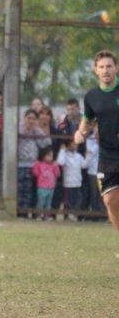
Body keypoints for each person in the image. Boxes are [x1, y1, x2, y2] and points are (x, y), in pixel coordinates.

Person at [74, 50, 119, 230]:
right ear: (96, 70)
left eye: (109, 66)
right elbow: (87, 120)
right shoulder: (91, 96)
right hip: (107, 154)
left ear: (117, 68)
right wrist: (81, 132)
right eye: (101, 67)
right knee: (109, 200)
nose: (105, 70)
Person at [18, 109, 51, 216]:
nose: (31, 121)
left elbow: (46, 143)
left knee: (29, 190)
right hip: (18, 164)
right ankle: (18, 211)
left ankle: (26, 212)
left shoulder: (36, 130)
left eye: (33, 119)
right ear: (24, 118)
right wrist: (24, 131)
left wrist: (36, 130)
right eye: (29, 118)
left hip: (32, 165)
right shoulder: (18, 128)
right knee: (19, 189)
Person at [56, 138, 89, 222]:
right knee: (68, 201)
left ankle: (74, 214)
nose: (75, 146)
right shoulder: (65, 155)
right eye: (73, 144)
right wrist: (62, 151)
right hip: (68, 183)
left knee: (77, 200)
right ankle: (67, 215)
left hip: (77, 182)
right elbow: (60, 162)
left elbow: (84, 165)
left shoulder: (78, 156)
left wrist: (88, 156)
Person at [31, 146, 60, 220]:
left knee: (48, 203)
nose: (50, 158)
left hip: (51, 187)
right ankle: (39, 215)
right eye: (48, 156)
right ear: (43, 156)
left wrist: (56, 167)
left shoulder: (53, 165)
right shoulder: (40, 164)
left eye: (51, 156)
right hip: (41, 187)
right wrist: (36, 165)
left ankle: (46, 215)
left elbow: (57, 174)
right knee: (40, 202)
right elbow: (35, 173)